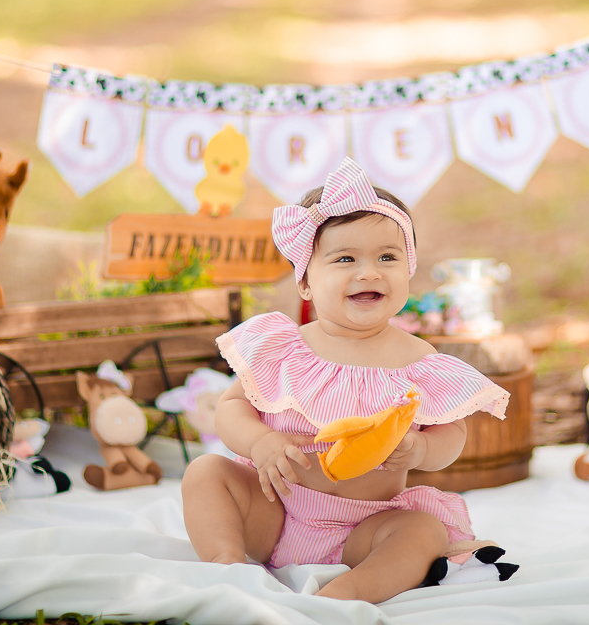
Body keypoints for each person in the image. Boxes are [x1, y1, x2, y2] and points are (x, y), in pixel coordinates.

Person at [181, 157, 510, 604]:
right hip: (275, 507)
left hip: (366, 524)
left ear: (407, 271)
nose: (369, 272)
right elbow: (231, 406)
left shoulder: (418, 360)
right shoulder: (285, 346)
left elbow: (452, 431)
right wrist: (259, 441)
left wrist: (422, 449)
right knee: (205, 473)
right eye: (345, 258)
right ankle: (227, 565)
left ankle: (350, 591)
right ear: (306, 283)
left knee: (422, 531)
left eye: (387, 258)